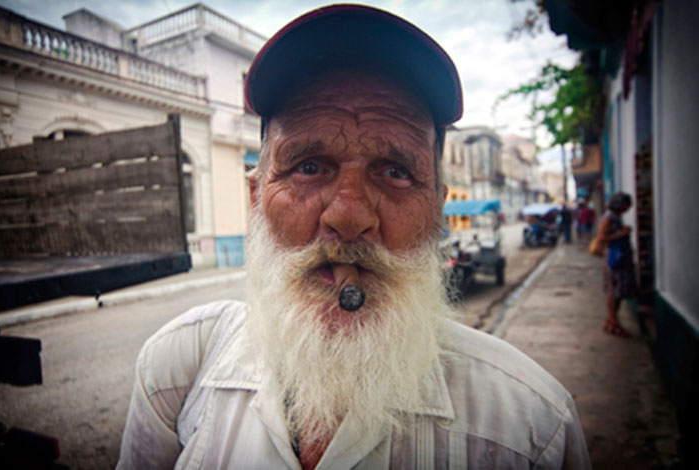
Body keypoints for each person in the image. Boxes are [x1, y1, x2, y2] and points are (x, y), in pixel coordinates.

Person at [117, 5, 591, 469]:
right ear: (257, 198)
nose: (348, 215)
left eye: (396, 171)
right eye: (308, 167)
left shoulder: (531, 431)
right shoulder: (176, 372)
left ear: (437, 210)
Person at [595, 192, 637, 337]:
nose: (628, 208)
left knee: (618, 291)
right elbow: (601, 238)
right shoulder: (608, 218)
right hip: (614, 259)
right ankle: (614, 322)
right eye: (626, 205)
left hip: (620, 258)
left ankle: (611, 320)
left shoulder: (615, 217)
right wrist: (622, 233)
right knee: (613, 292)